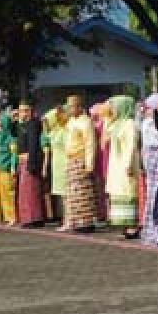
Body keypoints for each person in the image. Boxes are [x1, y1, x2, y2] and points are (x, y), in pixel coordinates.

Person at [105, 95, 141, 236]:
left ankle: (132, 224)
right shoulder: (116, 124)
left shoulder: (130, 124)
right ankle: (123, 225)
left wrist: (128, 164)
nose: (113, 110)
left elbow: (131, 146)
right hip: (116, 164)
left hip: (126, 163)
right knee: (119, 191)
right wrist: (107, 118)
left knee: (128, 191)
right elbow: (105, 139)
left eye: (115, 107)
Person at [62, 94, 98, 233]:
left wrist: (89, 164)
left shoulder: (86, 121)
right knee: (73, 193)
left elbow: (90, 143)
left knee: (83, 192)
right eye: (68, 106)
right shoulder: (71, 121)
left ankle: (86, 223)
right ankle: (76, 222)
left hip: (81, 159)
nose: (70, 109)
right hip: (71, 160)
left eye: (72, 106)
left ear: (79, 107)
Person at [140, 92, 158, 247]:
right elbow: (144, 146)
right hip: (149, 159)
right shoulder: (146, 124)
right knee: (152, 197)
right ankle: (151, 231)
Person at [15, 101, 46, 228]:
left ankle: (33, 218)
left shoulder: (33, 124)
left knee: (30, 191)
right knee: (25, 191)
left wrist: (31, 163)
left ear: (30, 111)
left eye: (24, 110)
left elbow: (33, 145)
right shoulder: (24, 125)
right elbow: (14, 132)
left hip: (30, 160)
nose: (22, 113)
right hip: (23, 160)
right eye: (20, 110)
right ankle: (29, 217)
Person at [0, 108, 19, 226]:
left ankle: (11, 217)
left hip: (6, 169)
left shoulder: (11, 138)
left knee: (8, 192)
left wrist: (13, 166)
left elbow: (14, 154)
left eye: (1, 123)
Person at [42, 107, 68, 223]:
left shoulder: (64, 131)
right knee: (61, 193)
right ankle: (64, 217)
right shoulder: (53, 132)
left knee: (66, 193)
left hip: (64, 163)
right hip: (56, 163)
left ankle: (67, 218)